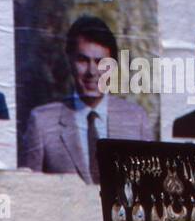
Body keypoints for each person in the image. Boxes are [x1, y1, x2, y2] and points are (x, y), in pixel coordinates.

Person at [21, 15, 153, 182]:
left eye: (100, 62)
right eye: (83, 60)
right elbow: (28, 192)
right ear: (70, 61)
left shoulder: (136, 119)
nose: (92, 71)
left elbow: (149, 187)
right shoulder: (42, 122)